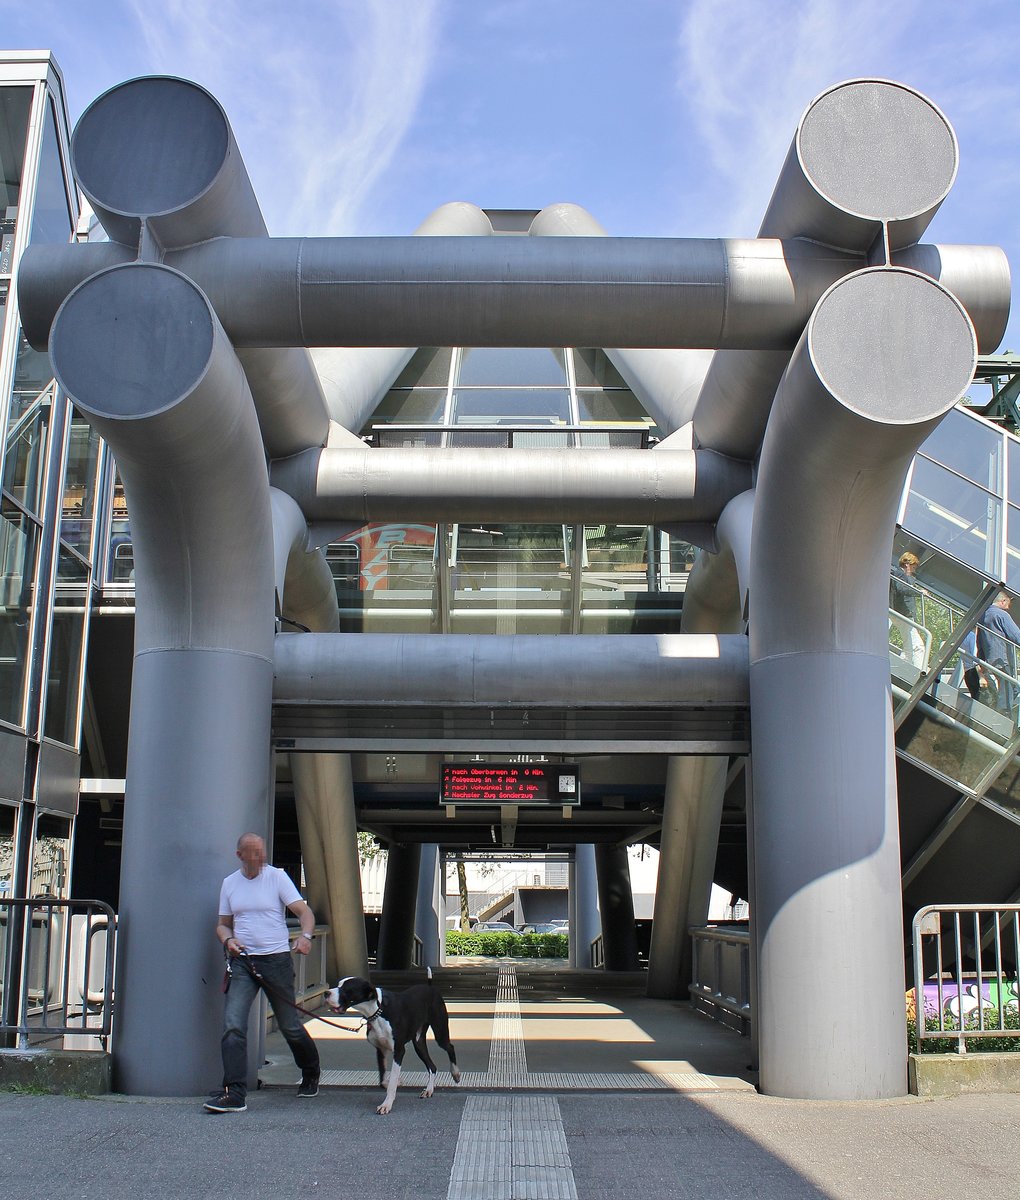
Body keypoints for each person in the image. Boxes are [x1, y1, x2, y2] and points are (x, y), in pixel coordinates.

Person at [204, 832, 320, 1113]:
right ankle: (235, 1092)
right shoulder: (230, 884)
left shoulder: (277, 877)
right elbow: (223, 924)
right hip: (243, 962)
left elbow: (304, 913)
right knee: (233, 1024)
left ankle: (311, 1071)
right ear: (240, 855)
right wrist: (228, 940)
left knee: (290, 1025)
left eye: (261, 852)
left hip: (277, 961)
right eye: (252, 853)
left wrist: (305, 936)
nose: (259, 858)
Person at [977, 591, 1020, 716]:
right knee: (1009, 687)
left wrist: (982, 659)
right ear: (1003, 601)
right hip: (1003, 658)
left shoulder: (984, 615)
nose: (1010, 604)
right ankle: (1003, 715)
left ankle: (1000, 710)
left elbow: (979, 639)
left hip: (991, 658)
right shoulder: (1002, 615)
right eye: (1009, 601)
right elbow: (1016, 636)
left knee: (1011, 688)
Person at [889, 551, 926, 668]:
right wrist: (919, 592)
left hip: (899, 613)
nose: (915, 571)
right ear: (907, 565)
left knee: (909, 647)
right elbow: (903, 589)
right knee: (918, 647)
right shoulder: (900, 575)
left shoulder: (898, 574)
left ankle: (905, 667)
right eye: (914, 567)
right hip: (902, 614)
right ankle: (919, 672)